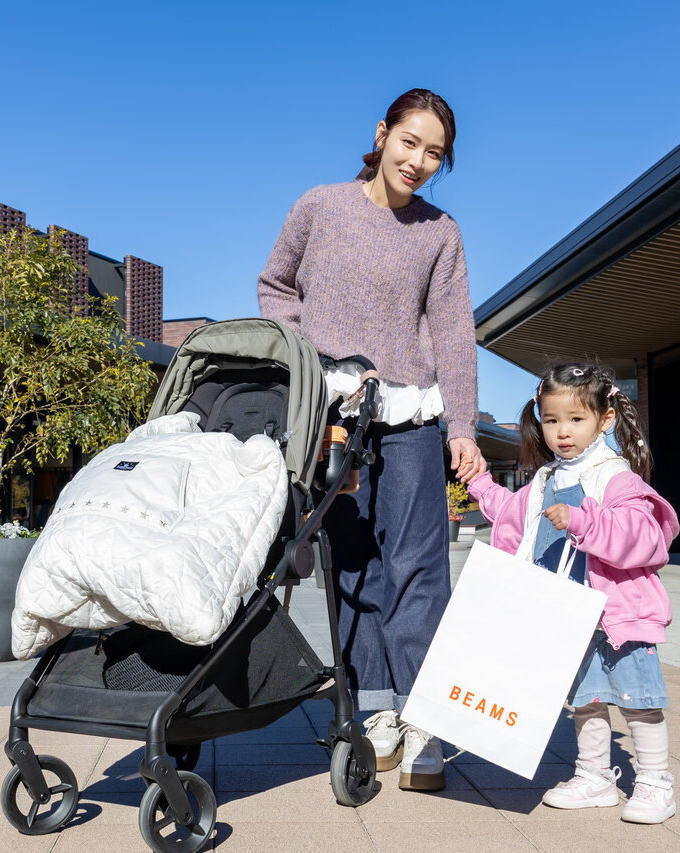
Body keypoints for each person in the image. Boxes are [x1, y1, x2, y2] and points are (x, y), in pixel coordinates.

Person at [258, 88, 486, 792]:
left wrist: (463, 427)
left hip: (412, 418)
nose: (419, 161)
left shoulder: (440, 232)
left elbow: (453, 334)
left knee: (419, 566)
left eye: (435, 154)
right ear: (382, 133)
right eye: (410, 142)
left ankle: (423, 715)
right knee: (353, 567)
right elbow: (275, 286)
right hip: (335, 418)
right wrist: (313, 364)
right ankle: (373, 709)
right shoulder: (320, 205)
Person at [461, 362, 680, 824]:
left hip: (618, 614)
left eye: (576, 419)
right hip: (568, 614)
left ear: (605, 420)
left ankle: (656, 782)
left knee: (639, 701)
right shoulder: (544, 480)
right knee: (586, 699)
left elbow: (641, 536)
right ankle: (595, 776)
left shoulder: (616, 476)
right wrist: (480, 483)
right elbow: (512, 514)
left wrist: (584, 521)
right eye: (551, 420)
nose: (562, 432)